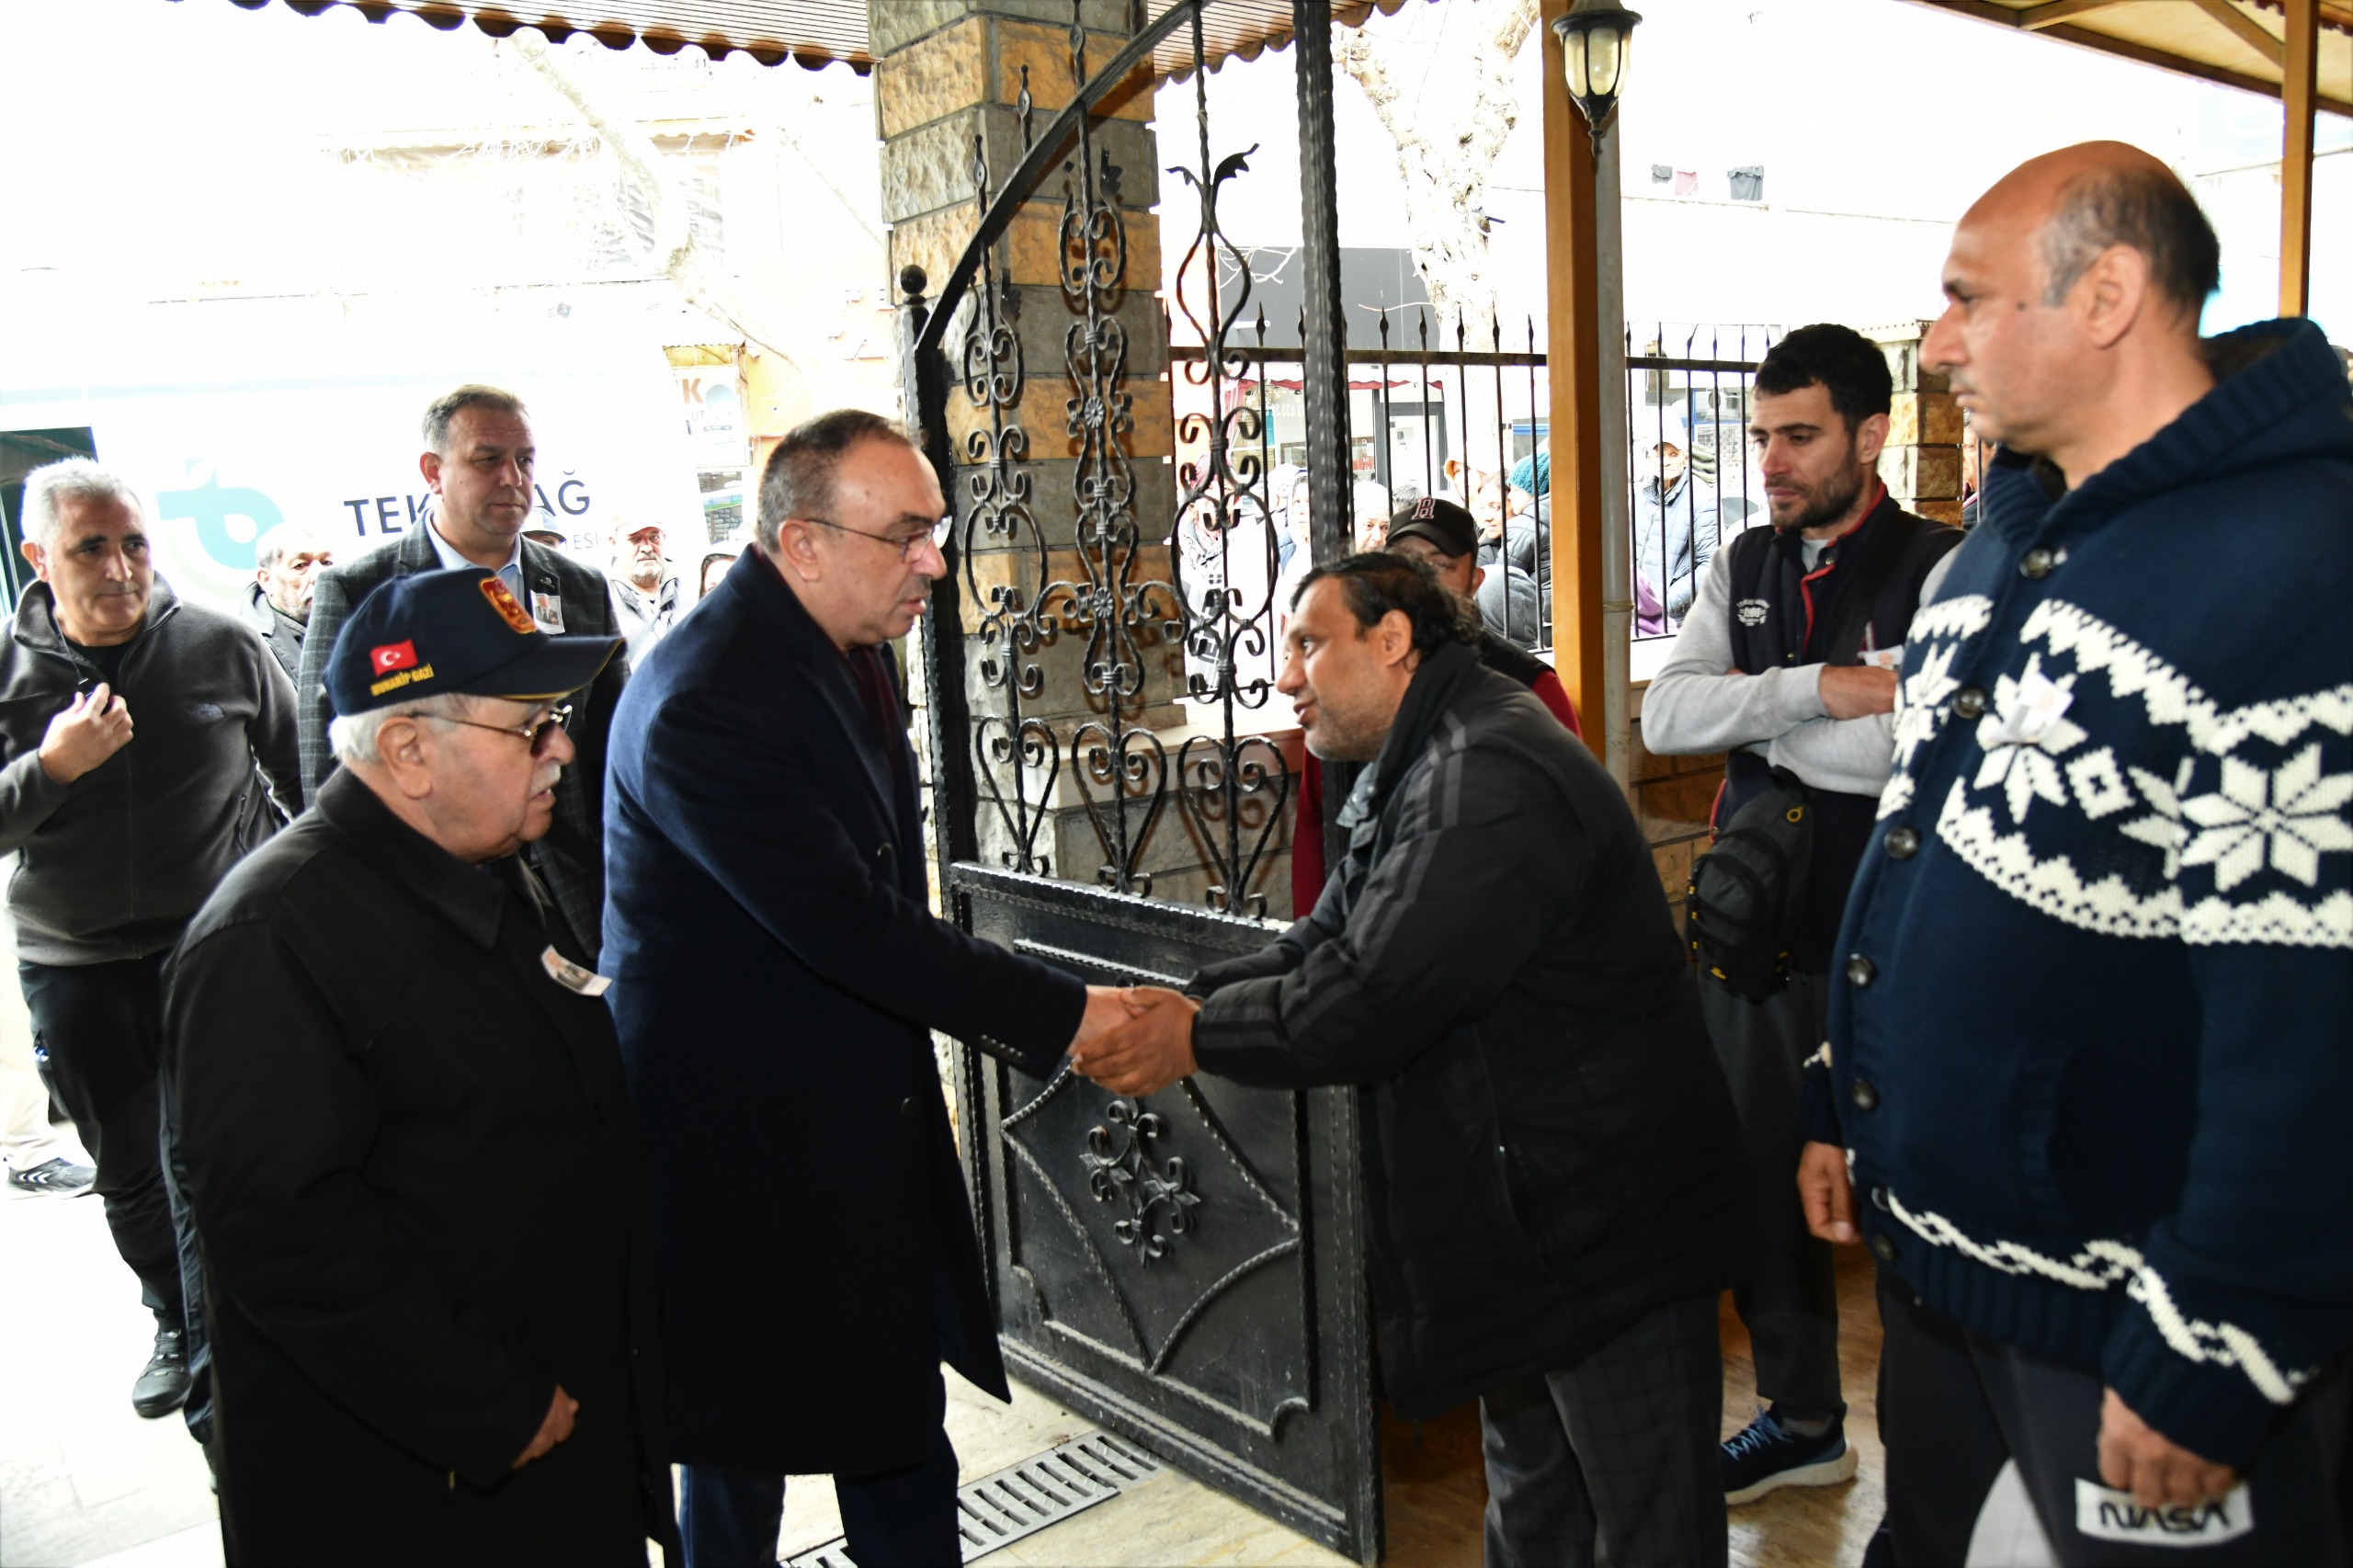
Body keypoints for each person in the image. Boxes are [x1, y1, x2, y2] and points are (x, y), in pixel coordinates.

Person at [1801, 142, 2352, 1562]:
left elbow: (2311, 1019)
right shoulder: (1999, 549)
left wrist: (2215, 1338)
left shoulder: (2302, 567)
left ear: (2107, 295)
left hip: (2131, 1319)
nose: (1937, 345)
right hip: (1946, 1276)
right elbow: (1920, 853)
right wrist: (1843, 1095)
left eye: (1968, 299)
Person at [1075, 553, 1751, 1568]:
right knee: (1534, 1503)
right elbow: (1326, 939)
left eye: (1309, 644)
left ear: (1391, 641)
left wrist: (1193, 1036)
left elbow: (1370, 995)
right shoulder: (1428, 753)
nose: (1286, 677)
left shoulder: (1489, 773)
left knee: (1649, 1523)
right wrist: (1189, 1001)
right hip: (1530, 1226)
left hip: (1610, 1229)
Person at [602, 409, 1131, 1568]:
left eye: (935, 530)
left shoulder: (844, 642)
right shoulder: (706, 697)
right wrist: (1068, 1012)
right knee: (740, 1435)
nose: (933, 562)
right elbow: (844, 921)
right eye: (906, 535)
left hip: (843, 1101)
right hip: (745, 1138)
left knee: (881, 1418)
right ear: (802, 542)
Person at [165, 568, 676, 1567]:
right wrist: (489, 1402)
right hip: (433, 1487)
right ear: (407, 750)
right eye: (532, 727)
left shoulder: (481, 862)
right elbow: (283, 1235)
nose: (563, 749)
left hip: (555, 1438)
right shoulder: (269, 936)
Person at [1643, 324, 1963, 1507]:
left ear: (1870, 434)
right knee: (1760, 1179)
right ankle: (1802, 1417)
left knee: (1911, 1191)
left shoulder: (1941, 568)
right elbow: (1666, 716)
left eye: (1798, 436)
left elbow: (1912, 747)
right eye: (1760, 436)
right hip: (1753, 937)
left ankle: (1945, 1454)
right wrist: (1821, 688)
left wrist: (1756, 717)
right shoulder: (1741, 560)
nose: (1770, 461)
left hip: (1890, 941)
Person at [0, 458, 299, 1418]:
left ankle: (259, 1322)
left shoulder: (220, 643)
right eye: (91, 547)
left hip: (212, 953)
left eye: (133, 542)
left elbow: (302, 776)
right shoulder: (10, 675)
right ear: (38, 556)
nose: (121, 567)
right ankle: (176, 1319)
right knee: (131, 1172)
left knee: (236, 1148)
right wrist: (51, 768)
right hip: (75, 966)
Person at [297, 384, 629, 960]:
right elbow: (329, 769)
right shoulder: (359, 590)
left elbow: (613, 751)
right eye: (488, 459)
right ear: (433, 471)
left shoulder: (580, 587)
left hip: (579, 900)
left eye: (525, 459)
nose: (513, 478)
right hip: (432, 905)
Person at [1291, 497, 1584, 917]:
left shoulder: (1531, 687)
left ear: (1475, 580)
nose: (1421, 580)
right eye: (1406, 563)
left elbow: (1564, 839)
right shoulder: (1347, 687)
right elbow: (1314, 819)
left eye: (1440, 564)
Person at [1631, 412, 1723, 631]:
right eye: (1659, 454)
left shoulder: (1701, 498)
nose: (1665, 461)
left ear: (1686, 458)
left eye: (1673, 454)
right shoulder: (1640, 496)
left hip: (1677, 618)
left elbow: (1709, 565)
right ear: (1649, 459)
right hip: (1638, 614)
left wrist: (1662, 604)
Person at [246, 522, 333, 683]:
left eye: (326, 563)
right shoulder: (249, 648)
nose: (320, 575)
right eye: (300, 565)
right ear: (267, 580)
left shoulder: (365, 621)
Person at [609, 518, 680, 664]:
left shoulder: (693, 585)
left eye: (654, 537)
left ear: (664, 538)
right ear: (614, 543)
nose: (647, 548)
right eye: (634, 539)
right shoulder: (602, 598)